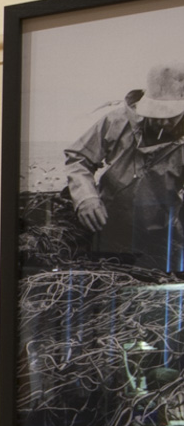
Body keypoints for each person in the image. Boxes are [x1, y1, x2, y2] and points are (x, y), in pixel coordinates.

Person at [66, 64, 184, 272]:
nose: (163, 121)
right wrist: (85, 197)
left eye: (171, 115)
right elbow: (78, 158)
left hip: (159, 239)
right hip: (105, 229)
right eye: (157, 114)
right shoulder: (116, 120)